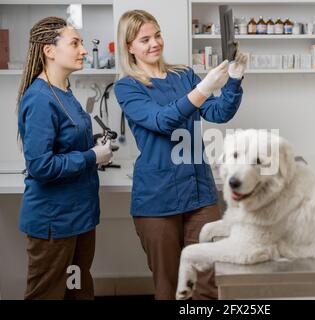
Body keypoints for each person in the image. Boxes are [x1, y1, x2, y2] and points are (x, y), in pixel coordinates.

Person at [114, 10, 247, 299]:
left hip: (199, 193)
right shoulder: (127, 86)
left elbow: (218, 112)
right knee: (171, 285)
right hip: (157, 200)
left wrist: (233, 82)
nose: (155, 43)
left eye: (157, 35)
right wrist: (202, 89)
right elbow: (161, 120)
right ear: (129, 47)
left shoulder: (183, 74)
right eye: (144, 39)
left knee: (206, 282)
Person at [17, 16, 113, 299]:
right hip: (55, 222)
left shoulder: (65, 92)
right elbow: (40, 165)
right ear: (49, 50)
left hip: (79, 216)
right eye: (75, 43)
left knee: (77, 291)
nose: (83, 50)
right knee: (47, 294)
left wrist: (93, 145)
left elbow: (67, 141)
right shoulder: (39, 98)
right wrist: (91, 157)